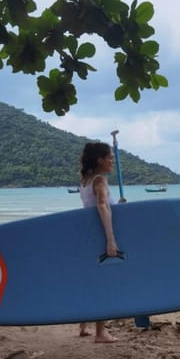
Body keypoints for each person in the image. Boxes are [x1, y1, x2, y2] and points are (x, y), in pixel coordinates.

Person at [78, 141, 124, 343]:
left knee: (91, 281)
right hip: (101, 237)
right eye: (110, 157)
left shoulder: (85, 180)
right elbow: (103, 206)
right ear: (100, 160)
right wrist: (111, 240)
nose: (112, 161)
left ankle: (82, 324)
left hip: (89, 237)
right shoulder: (100, 180)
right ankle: (100, 333)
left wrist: (120, 207)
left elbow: (96, 205)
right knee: (104, 283)